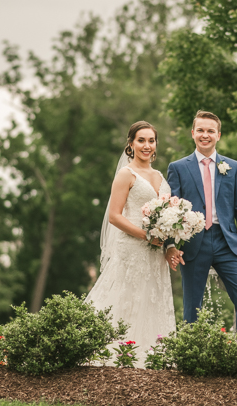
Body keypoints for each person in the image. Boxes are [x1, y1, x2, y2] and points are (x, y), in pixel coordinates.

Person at [85, 121, 176, 367]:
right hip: (133, 246)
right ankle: (119, 355)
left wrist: (168, 242)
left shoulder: (159, 175)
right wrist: (146, 236)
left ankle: (152, 356)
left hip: (156, 251)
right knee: (128, 297)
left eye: (151, 140)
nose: (147, 145)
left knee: (153, 297)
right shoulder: (126, 174)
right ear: (131, 144)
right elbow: (115, 216)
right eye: (141, 140)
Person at [165, 110, 237, 332]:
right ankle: (192, 357)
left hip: (227, 242)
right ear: (192, 133)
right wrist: (170, 245)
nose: (205, 135)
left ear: (218, 135)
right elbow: (171, 211)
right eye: (200, 130)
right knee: (192, 305)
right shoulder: (177, 168)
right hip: (193, 242)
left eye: (210, 131)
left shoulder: (233, 167)